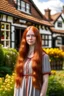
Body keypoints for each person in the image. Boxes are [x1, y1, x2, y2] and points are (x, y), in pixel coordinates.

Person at [14, 26, 51, 96]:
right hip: (20, 91)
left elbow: (46, 80)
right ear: (25, 38)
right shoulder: (22, 56)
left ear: (37, 37)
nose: (30, 38)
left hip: (35, 90)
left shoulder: (44, 57)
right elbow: (18, 77)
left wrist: (42, 94)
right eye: (28, 36)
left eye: (33, 35)